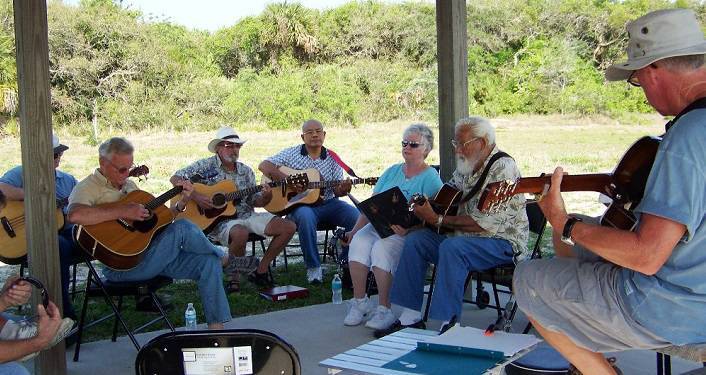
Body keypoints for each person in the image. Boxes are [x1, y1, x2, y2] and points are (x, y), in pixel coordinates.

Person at [512, 8, 706, 375]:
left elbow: (647, 256)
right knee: (590, 243)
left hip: (677, 309)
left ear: (654, 69)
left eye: (637, 79)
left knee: (530, 280)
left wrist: (563, 222)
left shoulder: (687, 137)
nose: (642, 90)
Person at [374, 116, 529, 338]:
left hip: (501, 242)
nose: (457, 151)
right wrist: (421, 207)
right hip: (464, 238)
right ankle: (409, 318)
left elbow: (482, 223)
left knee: (453, 248)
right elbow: (446, 195)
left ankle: (449, 325)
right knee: (416, 241)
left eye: (461, 144)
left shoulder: (503, 167)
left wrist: (436, 220)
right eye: (455, 144)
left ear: (482, 142)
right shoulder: (469, 164)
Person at [67, 137, 231, 329]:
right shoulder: (88, 187)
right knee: (184, 227)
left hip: (150, 256)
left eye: (129, 168)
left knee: (207, 262)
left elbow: (158, 222)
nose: (127, 174)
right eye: (121, 169)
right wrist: (122, 211)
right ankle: (224, 256)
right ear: (103, 163)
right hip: (122, 267)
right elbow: (75, 215)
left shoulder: (130, 186)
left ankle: (216, 332)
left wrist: (182, 203)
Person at [342, 123, 442, 330]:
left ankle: (384, 309)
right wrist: (353, 231)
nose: (407, 147)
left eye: (413, 144)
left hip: (404, 230)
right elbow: (370, 206)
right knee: (359, 241)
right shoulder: (392, 171)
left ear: (426, 149)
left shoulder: (431, 177)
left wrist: (410, 229)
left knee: (382, 248)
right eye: (404, 143)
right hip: (379, 223)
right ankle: (360, 302)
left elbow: (433, 215)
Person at [171, 126, 296, 290]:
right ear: (218, 148)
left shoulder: (246, 171)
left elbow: (254, 201)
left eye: (237, 146)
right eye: (229, 145)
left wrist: (267, 196)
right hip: (219, 221)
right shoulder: (205, 166)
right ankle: (234, 277)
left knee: (289, 227)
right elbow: (175, 178)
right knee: (240, 232)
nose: (234, 149)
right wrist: (197, 197)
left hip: (247, 215)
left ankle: (261, 269)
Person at [259, 119, 359, 284]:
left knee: (356, 217)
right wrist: (289, 181)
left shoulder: (333, 158)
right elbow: (264, 165)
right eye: (310, 132)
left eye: (318, 131)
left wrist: (344, 189)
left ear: (324, 135)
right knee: (305, 216)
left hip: (329, 203)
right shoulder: (291, 153)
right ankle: (314, 268)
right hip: (301, 205)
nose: (314, 135)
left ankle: (346, 263)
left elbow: (336, 191)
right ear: (302, 136)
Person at [0, 134, 80, 320]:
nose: (55, 159)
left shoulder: (68, 181)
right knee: (56, 245)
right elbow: (1, 189)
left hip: (66, 234)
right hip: (28, 240)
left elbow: (81, 206)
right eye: (51, 155)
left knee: (66, 241)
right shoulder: (20, 173)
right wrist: (34, 197)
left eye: (56, 155)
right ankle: (62, 316)